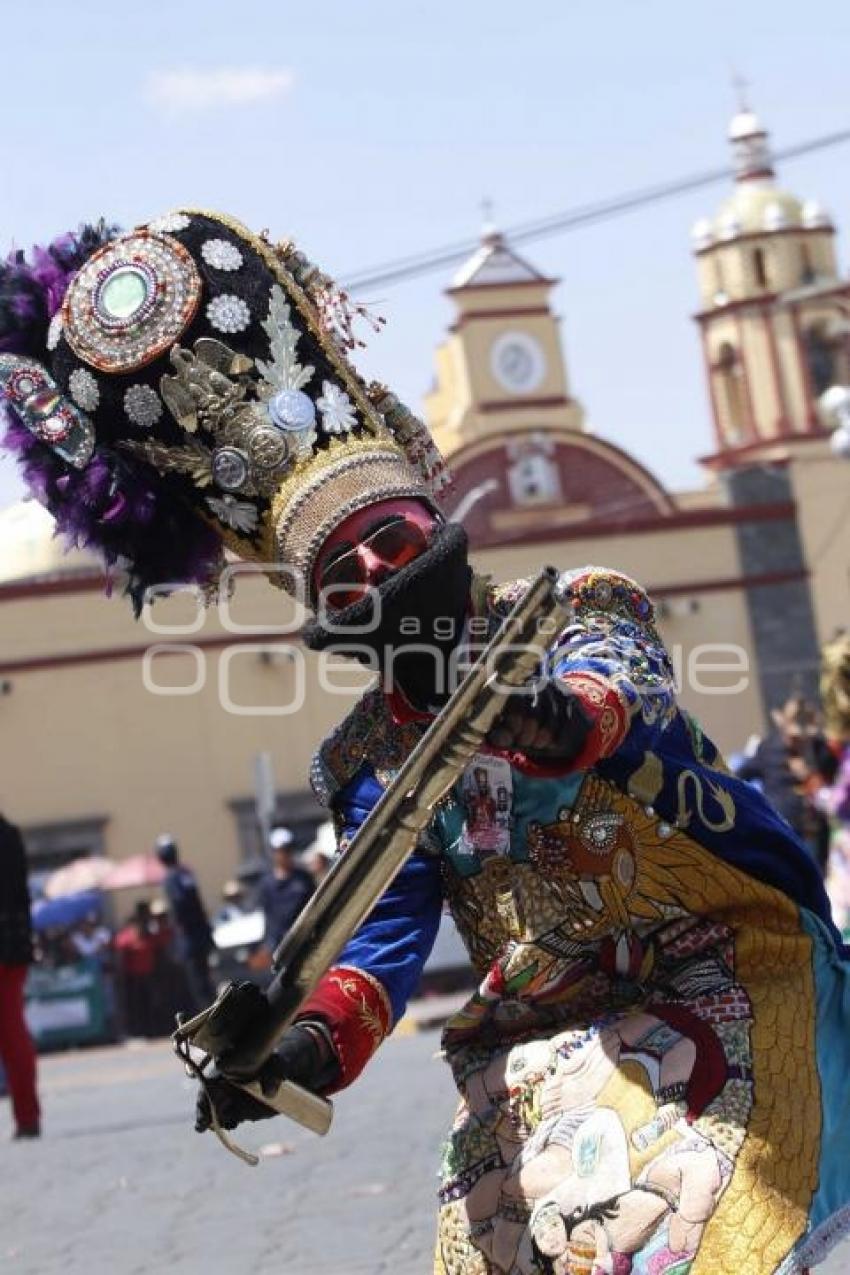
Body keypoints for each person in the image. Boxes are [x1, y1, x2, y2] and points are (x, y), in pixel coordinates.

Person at [3, 210, 850, 1272]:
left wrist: (551, 720)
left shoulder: (575, 610)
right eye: (349, 585)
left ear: (445, 547)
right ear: (330, 626)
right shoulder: (364, 761)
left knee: (654, 1224)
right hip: (534, 1031)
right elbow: (377, 939)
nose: (384, 588)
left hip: (709, 961)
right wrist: (300, 1046)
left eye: (397, 551)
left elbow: (613, 696)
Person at [735, 694, 836, 871]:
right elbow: (742, 774)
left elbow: (835, 783)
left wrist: (809, 774)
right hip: (781, 830)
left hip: (814, 832)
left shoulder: (819, 748)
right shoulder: (769, 748)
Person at [0, 813, 41, 1139]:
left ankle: (27, 1116)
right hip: (13, 948)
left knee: (13, 1036)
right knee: (14, 1035)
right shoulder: (10, 834)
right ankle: (27, 1115)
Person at [154, 835, 214, 1012]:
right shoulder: (186, 873)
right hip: (200, 934)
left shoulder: (171, 878)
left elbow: (180, 905)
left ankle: (207, 1016)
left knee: (198, 983)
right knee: (205, 979)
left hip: (189, 937)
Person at [258, 826, 316, 956]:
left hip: (303, 941)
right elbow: (268, 916)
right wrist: (268, 943)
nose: (284, 854)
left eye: (287, 850)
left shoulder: (304, 878)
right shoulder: (267, 883)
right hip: (279, 946)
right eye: (280, 851)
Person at [113, 900, 159, 1039]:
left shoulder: (149, 931)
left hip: (149, 974)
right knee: (136, 1005)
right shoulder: (128, 935)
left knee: (150, 1003)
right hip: (133, 977)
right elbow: (121, 949)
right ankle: (138, 1030)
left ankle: (150, 1029)